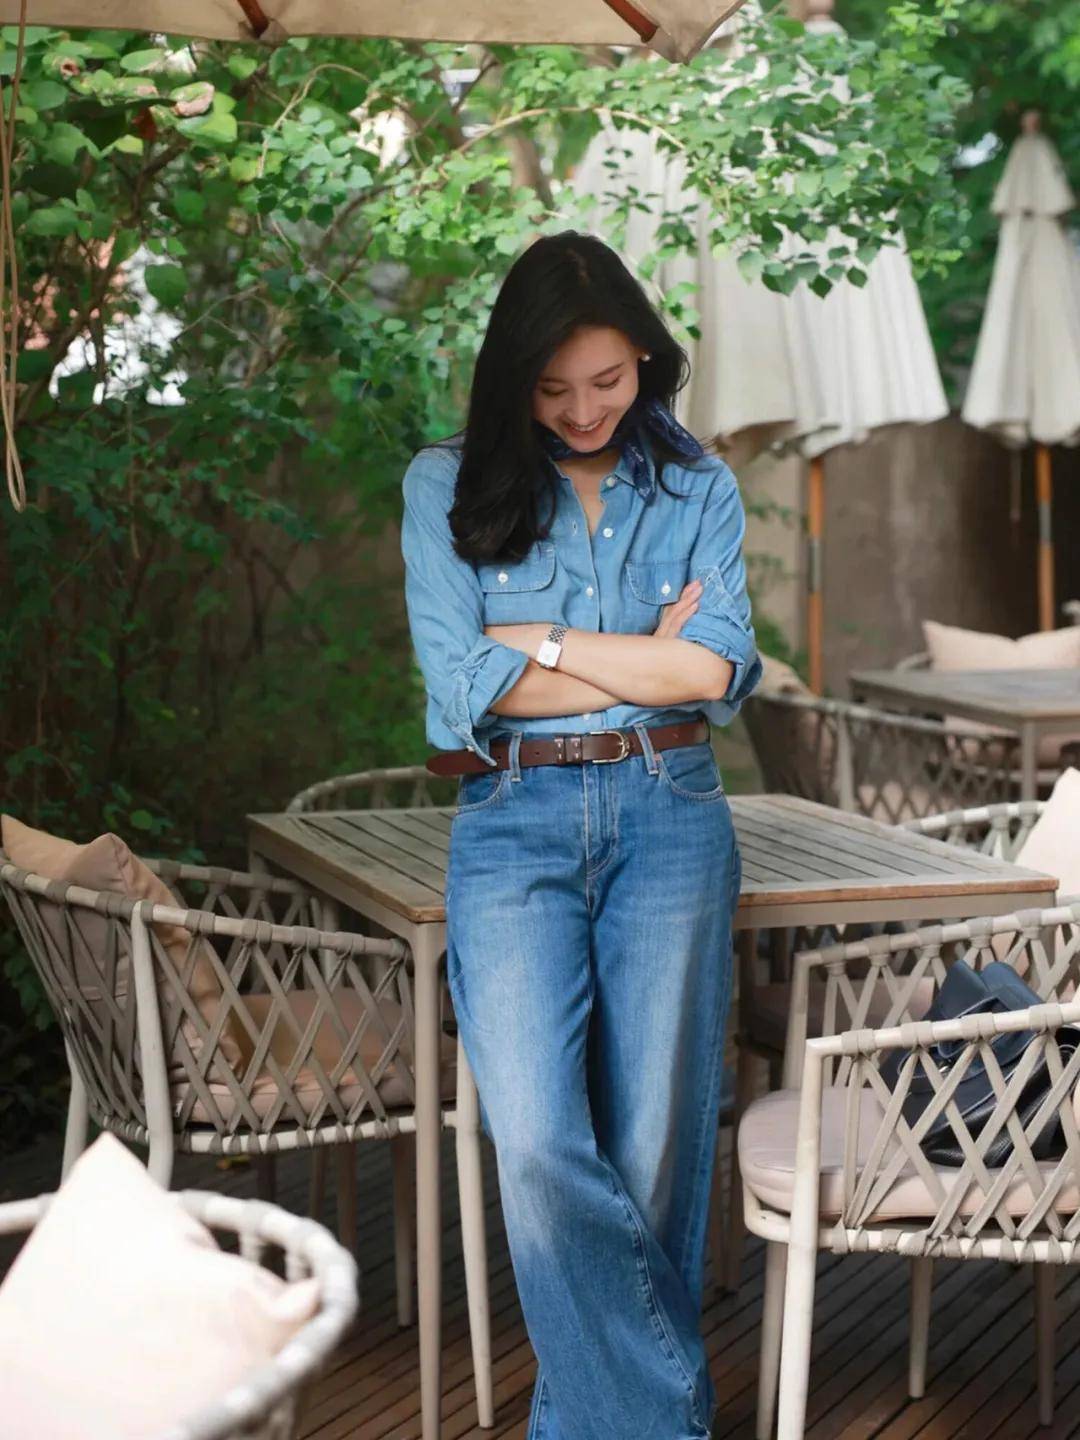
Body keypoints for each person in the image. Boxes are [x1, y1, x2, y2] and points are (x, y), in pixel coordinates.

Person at [400, 231, 761, 1440]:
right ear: (513, 379)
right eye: (552, 388)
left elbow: (714, 674)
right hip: (514, 826)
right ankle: (664, 1418)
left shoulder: (700, 487)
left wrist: (541, 645)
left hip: (673, 814)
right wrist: (639, 657)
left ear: (647, 359)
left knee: (654, 1147)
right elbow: (461, 690)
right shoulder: (445, 486)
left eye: (606, 380)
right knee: (541, 1140)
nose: (582, 410)